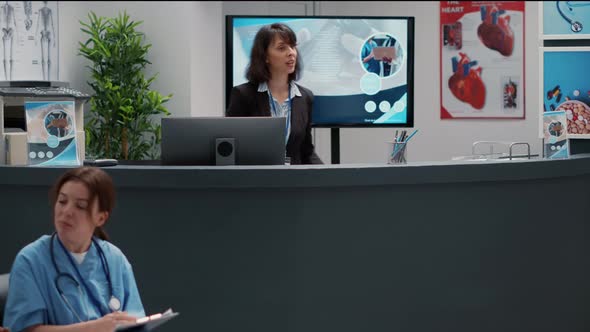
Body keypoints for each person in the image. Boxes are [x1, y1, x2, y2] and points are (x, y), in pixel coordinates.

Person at [3, 167, 144, 332]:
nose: (67, 211)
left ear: (101, 217)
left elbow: (136, 322)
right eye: (62, 201)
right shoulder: (31, 260)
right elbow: (25, 330)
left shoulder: (115, 259)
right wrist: (94, 328)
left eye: (81, 206)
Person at [226, 23, 322, 165]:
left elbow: (306, 151)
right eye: (282, 48)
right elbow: (231, 148)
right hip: (257, 181)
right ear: (265, 56)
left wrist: (330, 176)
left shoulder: (305, 97)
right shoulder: (243, 95)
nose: (291, 52)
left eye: (293, 46)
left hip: (294, 182)